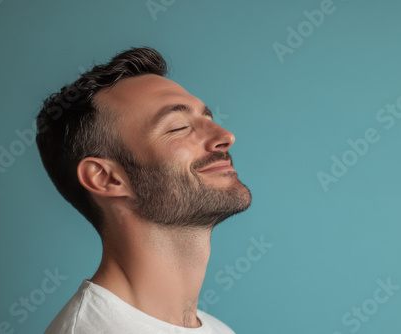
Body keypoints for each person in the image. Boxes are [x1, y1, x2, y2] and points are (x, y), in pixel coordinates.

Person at [35, 47, 252, 333]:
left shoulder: (217, 329)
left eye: (208, 119)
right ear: (106, 178)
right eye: (178, 127)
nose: (226, 136)